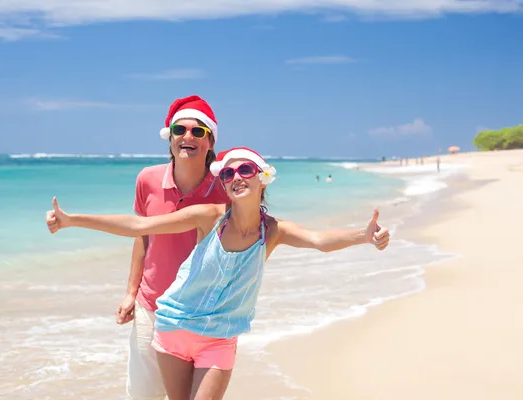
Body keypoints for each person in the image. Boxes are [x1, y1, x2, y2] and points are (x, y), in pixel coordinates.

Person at [46, 146, 391, 400]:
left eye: (245, 171)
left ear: (262, 179)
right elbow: (140, 224)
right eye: (227, 173)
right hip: (174, 329)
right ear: (223, 184)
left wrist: (363, 236)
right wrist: (72, 220)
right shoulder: (209, 217)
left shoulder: (272, 231)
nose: (236, 177)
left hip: (219, 336)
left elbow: (318, 240)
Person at [114, 95, 229, 399]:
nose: (188, 136)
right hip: (152, 306)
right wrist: (130, 293)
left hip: (203, 314)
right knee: (142, 394)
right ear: (170, 137)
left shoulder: (226, 188)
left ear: (210, 140)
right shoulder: (147, 179)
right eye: (180, 130)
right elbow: (141, 236)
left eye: (198, 131)